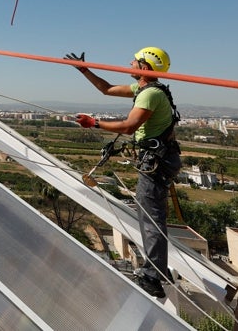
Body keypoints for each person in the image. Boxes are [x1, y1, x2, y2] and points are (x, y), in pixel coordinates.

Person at [65, 47, 181, 298]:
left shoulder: (149, 94)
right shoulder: (146, 89)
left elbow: (129, 127)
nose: (130, 63)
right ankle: (156, 268)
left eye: (135, 61)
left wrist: (93, 123)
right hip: (160, 158)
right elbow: (106, 89)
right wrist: (85, 70)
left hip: (157, 161)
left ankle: (153, 277)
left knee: (152, 219)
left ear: (146, 68)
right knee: (149, 214)